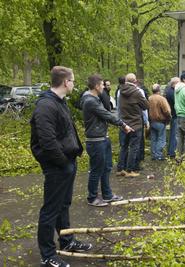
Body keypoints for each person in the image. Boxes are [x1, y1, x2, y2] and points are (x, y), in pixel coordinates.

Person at [30, 66, 91, 267]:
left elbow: (65, 132)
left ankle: (67, 241)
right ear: (66, 82)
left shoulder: (60, 102)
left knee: (63, 205)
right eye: (73, 80)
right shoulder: (46, 105)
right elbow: (47, 142)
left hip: (67, 162)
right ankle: (47, 255)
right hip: (57, 166)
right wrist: (64, 163)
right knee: (51, 209)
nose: (74, 84)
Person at [80, 74, 133, 207]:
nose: (104, 87)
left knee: (107, 167)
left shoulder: (95, 98)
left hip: (103, 137)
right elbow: (107, 115)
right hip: (96, 140)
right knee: (96, 170)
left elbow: (106, 113)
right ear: (97, 86)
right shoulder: (90, 101)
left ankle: (107, 195)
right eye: (102, 84)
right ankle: (92, 198)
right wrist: (123, 124)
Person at [117, 73, 149, 177]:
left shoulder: (120, 91)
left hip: (123, 123)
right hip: (135, 124)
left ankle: (120, 169)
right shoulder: (137, 92)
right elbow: (145, 106)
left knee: (124, 146)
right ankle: (130, 170)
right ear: (135, 81)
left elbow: (118, 107)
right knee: (134, 147)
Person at [149, 83, 172, 160]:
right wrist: (169, 118)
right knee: (161, 139)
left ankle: (153, 155)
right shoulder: (162, 99)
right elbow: (167, 111)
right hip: (160, 122)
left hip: (152, 122)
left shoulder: (149, 98)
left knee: (153, 139)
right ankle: (159, 155)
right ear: (159, 90)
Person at [165, 77, 180, 158]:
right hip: (175, 115)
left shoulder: (168, 90)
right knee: (174, 135)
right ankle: (172, 152)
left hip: (172, 115)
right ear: (175, 83)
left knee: (172, 134)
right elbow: (177, 103)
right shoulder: (172, 92)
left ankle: (170, 151)